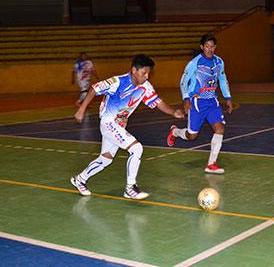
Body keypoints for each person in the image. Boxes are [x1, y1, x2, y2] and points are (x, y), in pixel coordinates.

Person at [71, 54, 184, 199]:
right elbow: (94, 89)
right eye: (144, 73)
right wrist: (81, 109)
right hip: (108, 122)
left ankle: (80, 179)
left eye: (148, 73)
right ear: (134, 71)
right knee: (137, 148)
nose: (147, 76)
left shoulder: (145, 87)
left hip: (119, 125)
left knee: (106, 158)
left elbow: (158, 102)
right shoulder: (118, 82)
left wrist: (174, 112)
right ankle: (130, 188)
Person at [166, 34, 233, 174]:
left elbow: (222, 79)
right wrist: (185, 98)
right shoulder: (194, 63)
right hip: (197, 101)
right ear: (202, 47)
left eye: (212, 46)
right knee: (192, 136)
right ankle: (175, 132)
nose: (210, 49)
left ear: (215, 47)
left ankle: (211, 164)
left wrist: (228, 97)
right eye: (207, 46)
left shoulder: (219, 62)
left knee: (220, 129)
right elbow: (183, 82)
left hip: (212, 102)